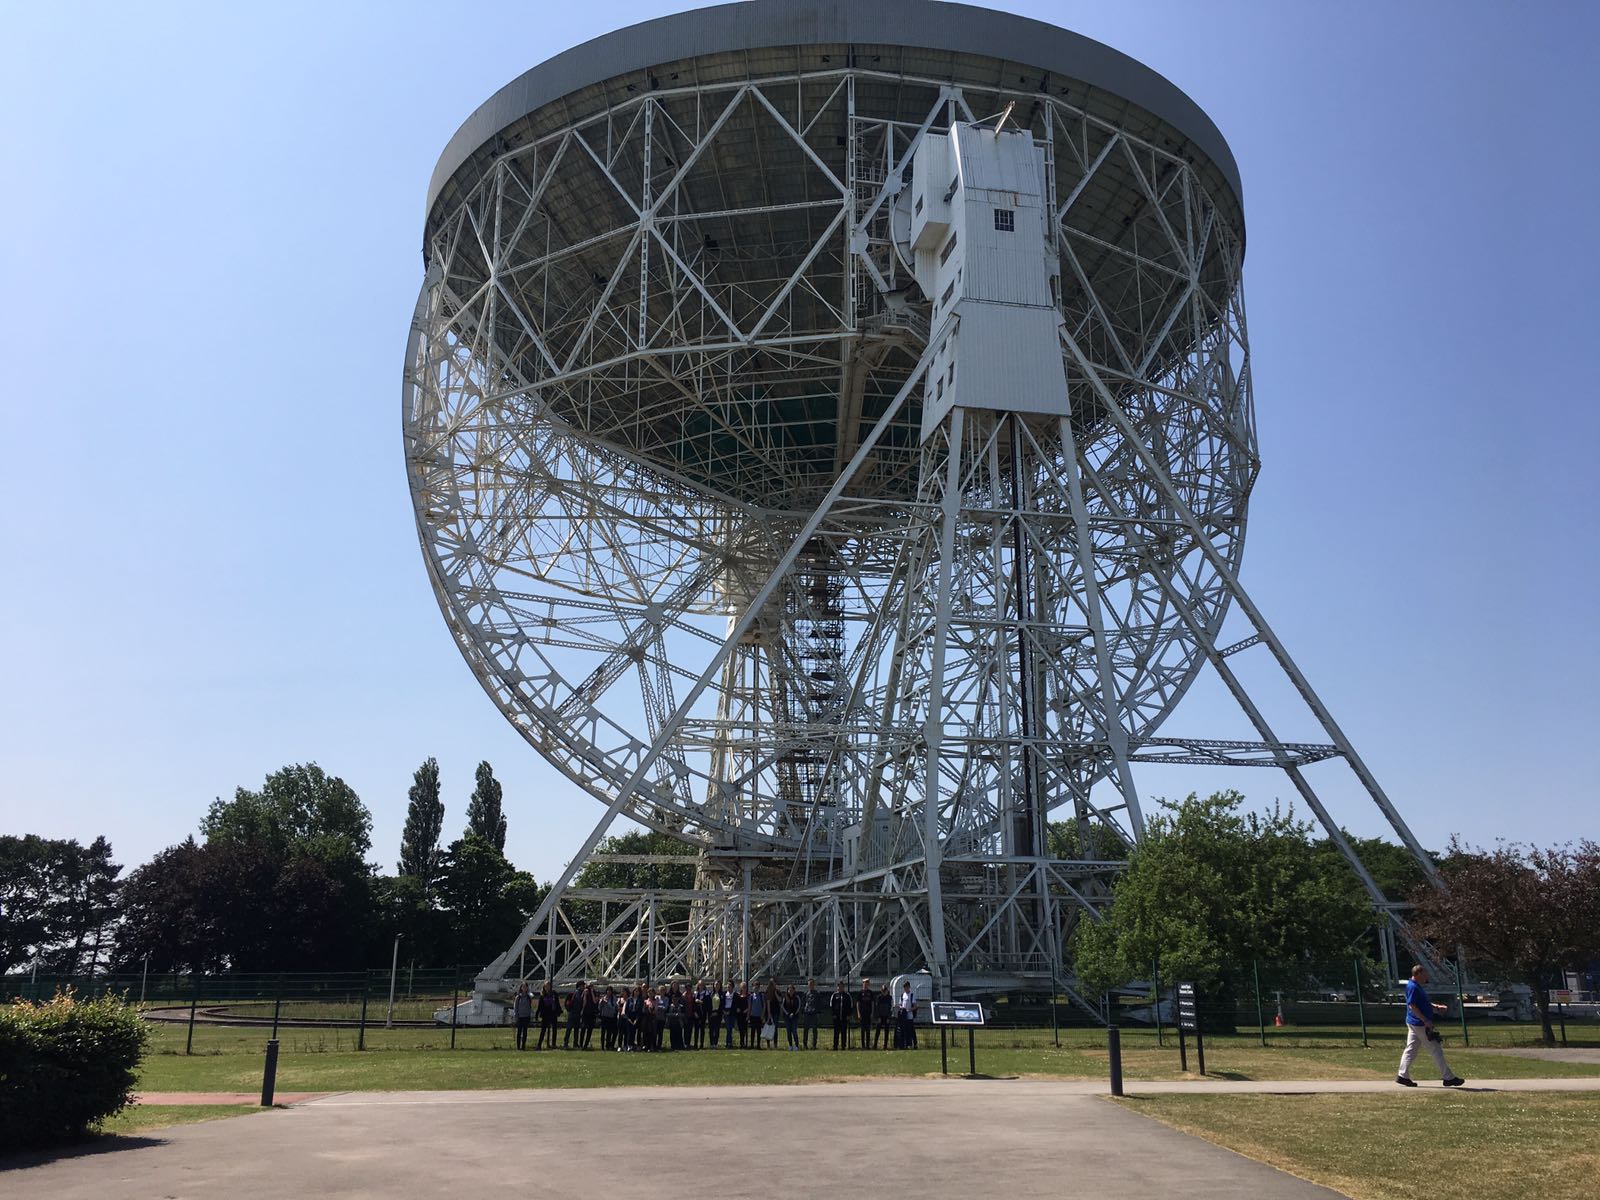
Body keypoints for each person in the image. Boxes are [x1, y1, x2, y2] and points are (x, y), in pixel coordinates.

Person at [1397, 964, 1464, 1087]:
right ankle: (1448, 1078)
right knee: (1435, 1049)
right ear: (1417, 974)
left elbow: (1423, 1003)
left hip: (1414, 1022)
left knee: (1411, 1049)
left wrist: (1436, 1007)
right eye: (1424, 974)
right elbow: (1412, 1005)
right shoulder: (1413, 987)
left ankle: (1402, 1076)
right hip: (1419, 1023)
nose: (1426, 976)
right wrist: (1425, 1020)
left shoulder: (1416, 986)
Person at [536, 981, 561, 1050]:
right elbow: (540, 1006)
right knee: (543, 1030)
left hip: (553, 1013)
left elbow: (557, 1003)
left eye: (549, 986)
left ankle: (553, 1044)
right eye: (546, 986)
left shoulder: (554, 994)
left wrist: (558, 1011)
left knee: (554, 1029)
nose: (547, 988)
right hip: (545, 1014)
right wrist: (537, 1014)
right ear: (544, 987)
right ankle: (539, 1045)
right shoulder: (542, 995)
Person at [830, 979, 852, 1050]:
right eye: (839, 986)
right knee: (836, 1032)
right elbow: (831, 1006)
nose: (840, 988)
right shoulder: (834, 995)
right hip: (836, 1017)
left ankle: (843, 1046)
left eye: (842, 986)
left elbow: (850, 1006)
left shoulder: (847, 995)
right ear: (837, 987)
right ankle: (835, 1046)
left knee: (844, 1032)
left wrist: (849, 1015)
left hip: (844, 1017)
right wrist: (833, 1014)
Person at [896, 980, 916, 1050]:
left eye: (907, 987)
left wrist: (909, 1010)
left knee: (911, 1031)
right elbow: (900, 1005)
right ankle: (906, 1044)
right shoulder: (902, 995)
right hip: (903, 1017)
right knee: (905, 1031)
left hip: (910, 1016)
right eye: (904, 987)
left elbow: (915, 1006)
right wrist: (901, 1008)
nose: (906, 988)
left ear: (909, 987)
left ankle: (914, 1044)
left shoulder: (912, 995)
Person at [801, 978, 821, 1049]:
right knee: (805, 1029)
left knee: (814, 1030)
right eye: (809, 984)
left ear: (814, 985)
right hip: (807, 1012)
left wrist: (818, 1013)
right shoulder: (805, 993)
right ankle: (805, 1044)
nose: (811, 985)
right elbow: (803, 1003)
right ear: (808, 985)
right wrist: (803, 1012)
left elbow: (819, 1004)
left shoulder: (817, 993)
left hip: (814, 1013)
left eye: (812, 984)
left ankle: (814, 1044)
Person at [513, 981, 533, 1051]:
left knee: (525, 1032)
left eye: (526, 987)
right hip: (520, 1016)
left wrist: (531, 1014)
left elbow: (530, 1006)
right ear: (521, 988)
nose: (524, 988)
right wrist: (516, 1016)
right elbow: (515, 1007)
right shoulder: (518, 997)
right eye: (523, 987)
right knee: (519, 1032)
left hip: (526, 1016)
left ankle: (523, 1046)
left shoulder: (528, 997)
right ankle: (518, 1047)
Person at [857, 978, 875, 1049]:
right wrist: (858, 1013)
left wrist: (872, 1013)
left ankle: (867, 1045)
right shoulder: (860, 993)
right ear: (863, 984)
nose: (866, 984)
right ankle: (863, 1045)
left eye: (867, 983)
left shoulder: (870, 993)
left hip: (868, 1013)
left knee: (868, 1030)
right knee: (862, 1030)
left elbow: (872, 1003)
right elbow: (858, 1003)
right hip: (862, 1014)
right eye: (865, 983)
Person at [579, 983, 599, 1049]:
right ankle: (581, 1044)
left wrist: (592, 992)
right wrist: (585, 995)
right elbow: (583, 1003)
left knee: (589, 1030)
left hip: (592, 1013)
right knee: (583, 1028)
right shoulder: (585, 993)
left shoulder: (595, 993)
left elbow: (595, 1001)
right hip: (585, 1013)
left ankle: (585, 1045)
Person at [599, 986, 618, 1051]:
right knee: (603, 1032)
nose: (608, 992)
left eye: (610, 990)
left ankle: (607, 1046)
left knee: (609, 1033)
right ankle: (602, 1046)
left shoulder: (613, 999)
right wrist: (601, 1003)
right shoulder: (603, 998)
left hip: (610, 1017)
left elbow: (614, 1008)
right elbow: (599, 1008)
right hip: (604, 1017)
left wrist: (607, 1003)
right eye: (607, 990)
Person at [874, 982, 893, 1049]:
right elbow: (877, 1008)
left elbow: (891, 1008)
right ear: (881, 991)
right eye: (883, 991)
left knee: (886, 1032)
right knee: (877, 1031)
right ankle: (875, 1045)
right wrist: (878, 1017)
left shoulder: (890, 998)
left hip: (886, 1017)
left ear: (887, 991)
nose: (884, 992)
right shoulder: (878, 997)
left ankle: (885, 1046)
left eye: (885, 990)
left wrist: (889, 1017)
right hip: (880, 1017)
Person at [782, 984, 801, 1050]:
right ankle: (790, 1045)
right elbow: (783, 1007)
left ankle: (796, 1045)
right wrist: (788, 1014)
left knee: (794, 1031)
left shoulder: (797, 997)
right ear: (787, 991)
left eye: (792, 990)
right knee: (788, 1032)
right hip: (787, 1017)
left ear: (794, 990)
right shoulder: (785, 997)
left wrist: (794, 1013)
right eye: (789, 990)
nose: (790, 991)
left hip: (795, 1017)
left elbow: (798, 1007)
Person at [748, 983, 766, 1049]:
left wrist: (763, 1015)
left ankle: (758, 1045)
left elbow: (764, 1006)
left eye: (757, 987)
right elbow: (749, 1006)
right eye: (754, 987)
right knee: (752, 1031)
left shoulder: (761, 996)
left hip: (759, 1016)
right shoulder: (751, 996)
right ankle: (752, 1045)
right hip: (753, 1015)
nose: (756, 988)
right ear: (753, 988)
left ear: (759, 988)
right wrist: (748, 1015)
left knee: (759, 1031)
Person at [733, 982, 750, 1048]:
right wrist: (737, 1008)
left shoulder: (748, 995)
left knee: (744, 1029)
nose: (744, 988)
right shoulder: (738, 995)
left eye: (745, 987)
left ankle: (744, 1043)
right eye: (743, 987)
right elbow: (735, 1004)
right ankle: (741, 1043)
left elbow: (750, 1004)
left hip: (745, 1014)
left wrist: (747, 1010)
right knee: (740, 1029)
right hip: (739, 1014)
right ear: (741, 988)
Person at [723, 981, 739, 1049]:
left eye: (729, 986)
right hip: (726, 1011)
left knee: (730, 1028)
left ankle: (729, 1043)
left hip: (732, 1012)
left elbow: (735, 1004)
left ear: (732, 987)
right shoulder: (725, 994)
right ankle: (728, 1043)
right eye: (727, 986)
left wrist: (731, 1011)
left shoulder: (735, 995)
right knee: (728, 1028)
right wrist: (724, 1011)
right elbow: (722, 1003)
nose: (728, 988)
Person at [708, 980, 724, 1048]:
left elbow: (722, 1005)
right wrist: (711, 1012)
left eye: (718, 984)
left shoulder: (722, 994)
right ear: (713, 986)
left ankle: (715, 1043)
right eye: (715, 984)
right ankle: (711, 1043)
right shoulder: (711, 994)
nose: (717, 986)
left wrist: (717, 1012)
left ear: (720, 986)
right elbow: (708, 1004)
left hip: (718, 1014)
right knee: (711, 1029)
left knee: (717, 1029)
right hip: (711, 1014)